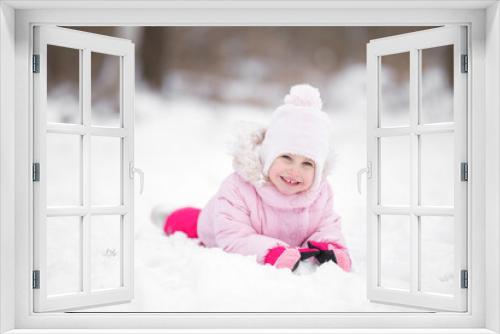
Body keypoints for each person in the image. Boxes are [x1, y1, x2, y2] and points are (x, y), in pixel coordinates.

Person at [151, 83, 352, 273]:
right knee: (192, 223)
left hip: (271, 239)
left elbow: (327, 225)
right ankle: (167, 216)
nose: (295, 170)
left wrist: (330, 246)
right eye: (286, 157)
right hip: (216, 226)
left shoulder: (320, 193)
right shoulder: (238, 188)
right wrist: (272, 252)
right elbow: (233, 238)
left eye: (307, 163)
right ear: (268, 156)